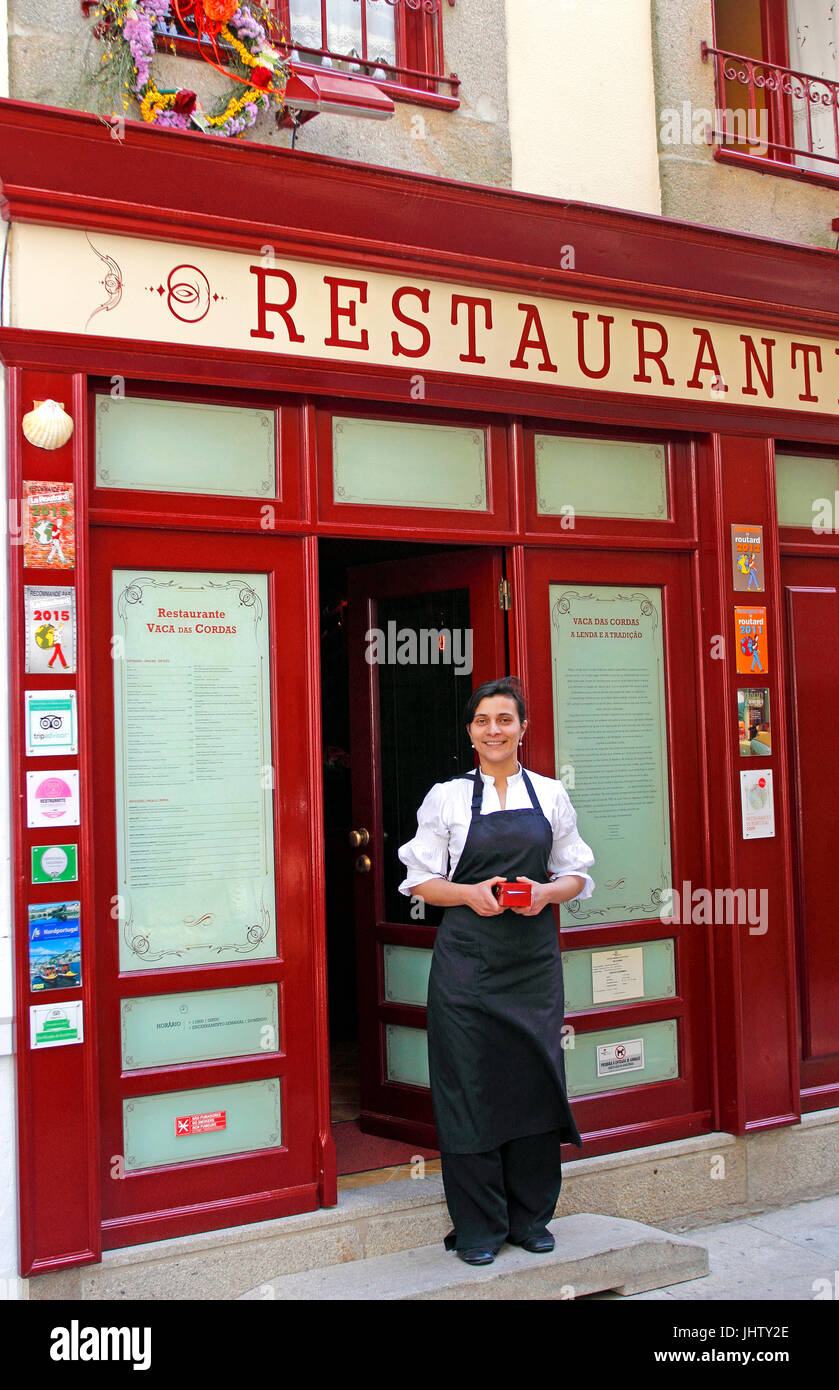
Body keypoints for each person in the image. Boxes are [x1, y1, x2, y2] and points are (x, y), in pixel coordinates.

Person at [397, 675, 595, 1266]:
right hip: (467, 965)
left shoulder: (552, 795)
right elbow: (418, 879)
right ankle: (480, 1227)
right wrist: (468, 893)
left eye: (505, 720)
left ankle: (531, 1218)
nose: (494, 730)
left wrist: (543, 893)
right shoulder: (447, 798)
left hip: (531, 963)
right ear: (470, 731)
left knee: (534, 1080)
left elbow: (578, 873)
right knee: (470, 1089)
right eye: (483, 721)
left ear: (522, 728)